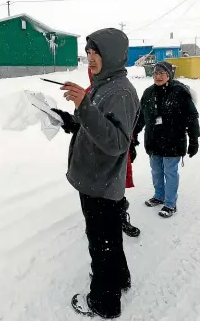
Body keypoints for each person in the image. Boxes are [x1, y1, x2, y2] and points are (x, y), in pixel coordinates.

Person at [54, 28, 140, 319]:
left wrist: (84, 106)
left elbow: (117, 143)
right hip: (95, 178)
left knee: (101, 242)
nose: (90, 59)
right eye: (89, 53)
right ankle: (121, 279)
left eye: (97, 54)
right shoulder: (104, 84)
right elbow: (94, 123)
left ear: (112, 55)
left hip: (101, 182)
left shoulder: (121, 92)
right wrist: (72, 118)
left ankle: (104, 302)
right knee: (110, 238)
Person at [52, 67, 140, 238]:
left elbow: (124, 127)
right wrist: (66, 119)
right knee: (101, 201)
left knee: (115, 189)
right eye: (90, 70)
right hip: (93, 157)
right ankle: (106, 225)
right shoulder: (89, 92)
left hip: (114, 153)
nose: (93, 71)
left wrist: (133, 141)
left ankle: (120, 218)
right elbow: (83, 124)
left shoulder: (119, 92)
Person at [132, 61, 200, 218]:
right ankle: (159, 196)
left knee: (170, 172)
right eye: (155, 73)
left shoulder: (179, 92)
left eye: (162, 73)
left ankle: (170, 204)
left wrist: (194, 139)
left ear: (169, 75)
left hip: (173, 140)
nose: (158, 76)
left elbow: (192, 117)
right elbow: (141, 116)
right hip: (153, 140)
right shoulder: (148, 93)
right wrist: (134, 133)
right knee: (156, 170)